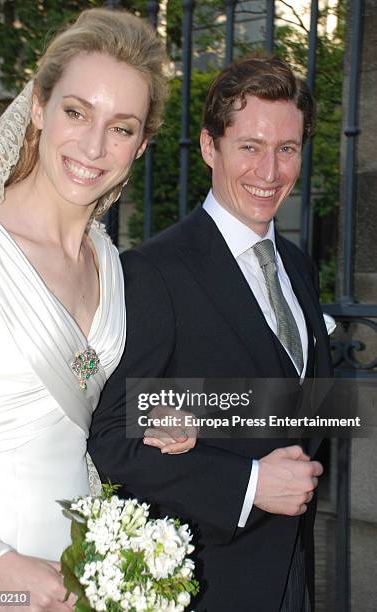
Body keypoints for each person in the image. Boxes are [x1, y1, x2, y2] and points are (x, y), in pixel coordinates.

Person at [88, 56, 333, 611]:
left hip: (293, 571)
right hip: (208, 582)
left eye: (287, 149)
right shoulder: (154, 272)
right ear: (208, 147)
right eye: (249, 146)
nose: (270, 172)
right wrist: (248, 485)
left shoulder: (297, 266)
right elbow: (111, 437)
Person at [0, 8, 192, 611]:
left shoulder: (112, 268)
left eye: (121, 128)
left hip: (78, 581)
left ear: (141, 146)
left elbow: (79, 400)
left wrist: (151, 414)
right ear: (39, 108)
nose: (93, 146)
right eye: (76, 111)